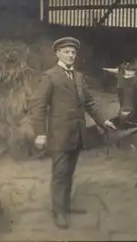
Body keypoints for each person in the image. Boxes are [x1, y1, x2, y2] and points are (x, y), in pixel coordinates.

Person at [31, 36, 117, 229]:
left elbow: (89, 103)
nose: (71, 55)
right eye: (67, 52)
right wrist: (40, 133)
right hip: (59, 134)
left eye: (73, 52)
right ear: (58, 54)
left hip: (77, 134)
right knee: (60, 174)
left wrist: (104, 121)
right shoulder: (50, 76)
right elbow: (39, 106)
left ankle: (66, 206)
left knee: (69, 172)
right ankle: (59, 212)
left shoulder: (78, 77)